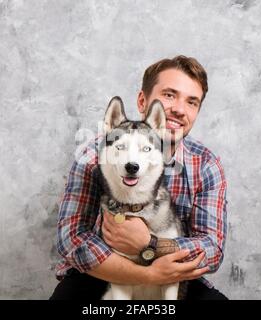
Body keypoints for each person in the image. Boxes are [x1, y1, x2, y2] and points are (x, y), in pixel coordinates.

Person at [50, 56, 228, 300]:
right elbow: (71, 239)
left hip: (174, 273)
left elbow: (212, 250)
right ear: (143, 101)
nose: (179, 108)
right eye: (169, 94)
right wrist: (146, 275)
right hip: (105, 268)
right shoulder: (94, 156)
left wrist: (151, 244)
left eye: (192, 102)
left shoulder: (206, 164)